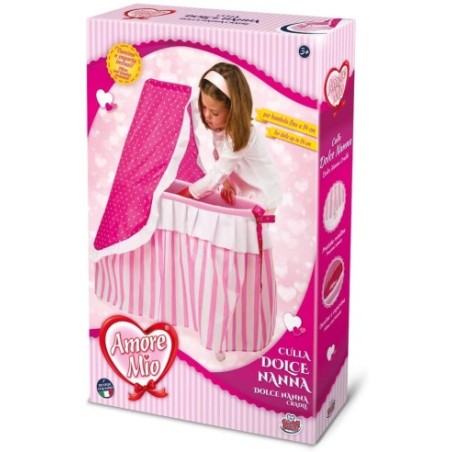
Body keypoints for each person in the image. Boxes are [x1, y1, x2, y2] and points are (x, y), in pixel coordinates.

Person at [178, 62, 282, 213]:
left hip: (263, 197)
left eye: (214, 112)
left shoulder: (240, 135)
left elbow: (218, 171)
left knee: (251, 228)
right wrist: (227, 183)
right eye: (204, 106)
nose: (207, 115)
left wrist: (189, 193)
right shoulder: (221, 126)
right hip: (245, 194)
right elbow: (221, 157)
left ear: (233, 110)